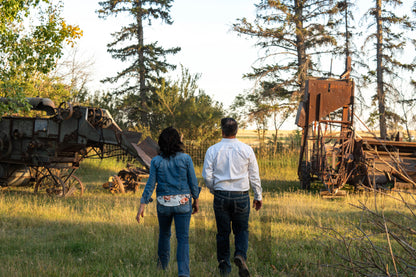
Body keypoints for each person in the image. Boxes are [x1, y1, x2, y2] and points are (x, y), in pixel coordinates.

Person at [136, 127, 200, 277]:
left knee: (164, 235)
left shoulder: (156, 161)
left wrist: (142, 205)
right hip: (183, 204)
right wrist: (196, 200)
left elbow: (150, 184)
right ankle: (183, 273)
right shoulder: (186, 159)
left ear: (161, 143)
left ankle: (162, 267)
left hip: (163, 205)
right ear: (178, 142)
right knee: (183, 238)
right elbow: (193, 182)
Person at [202, 118, 262, 277]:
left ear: (222, 131)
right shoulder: (247, 149)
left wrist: (215, 190)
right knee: (241, 230)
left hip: (221, 195)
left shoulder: (212, 150)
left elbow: (207, 176)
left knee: (222, 233)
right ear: (236, 131)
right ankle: (240, 255)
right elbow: (254, 176)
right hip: (241, 195)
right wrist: (258, 195)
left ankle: (224, 268)